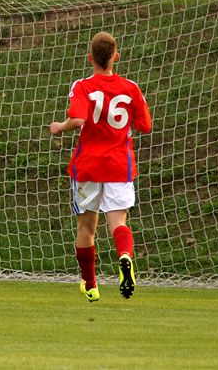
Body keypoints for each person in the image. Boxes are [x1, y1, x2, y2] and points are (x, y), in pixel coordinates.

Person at [50, 32, 152, 302]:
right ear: (115, 57)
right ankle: (126, 258)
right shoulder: (131, 88)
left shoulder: (83, 86)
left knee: (86, 228)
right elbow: (145, 126)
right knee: (118, 222)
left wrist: (59, 127)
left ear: (90, 58)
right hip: (119, 164)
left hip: (89, 166)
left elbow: (78, 119)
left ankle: (91, 284)